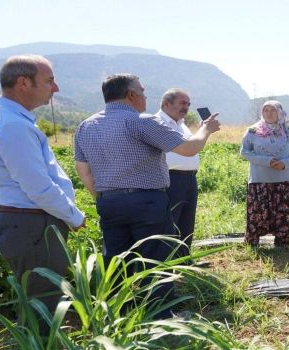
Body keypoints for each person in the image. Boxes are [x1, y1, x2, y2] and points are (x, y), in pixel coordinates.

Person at [74, 74, 220, 319]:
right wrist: (206, 129)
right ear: (131, 95)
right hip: (147, 201)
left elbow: (83, 169)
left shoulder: (86, 125)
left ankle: (116, 315)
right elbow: (189, 148)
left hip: (108, 202)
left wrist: (102, 197)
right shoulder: (141, 121)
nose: (144, 96)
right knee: (155, 258)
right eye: (142, 91)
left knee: (116, 260)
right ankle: (160, 317)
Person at [0, 55, 86, 328]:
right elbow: (37, 186)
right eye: (49, 81)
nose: (56, 88)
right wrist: (73, 216)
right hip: (33, 224)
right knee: (44, 305)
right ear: (23, 82)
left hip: (23, 221)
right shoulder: (13, 124)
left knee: (36, 298)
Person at [240, 100, 289, 247]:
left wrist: (285, 163)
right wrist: (267, 161)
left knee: (286, 213)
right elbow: (244, 152)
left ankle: (282, 244)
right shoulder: (252, 131)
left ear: (280, 112)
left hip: (286, 179)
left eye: (273, 110)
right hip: (260, 179)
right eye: (266, 110)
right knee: (257, 212)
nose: (269, 113)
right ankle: (252, 243)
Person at [156, 88, 205, 256]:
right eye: (182, 103)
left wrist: (202, 131)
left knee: (186, 221)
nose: (186, 107)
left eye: (188, 104)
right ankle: (166, 264)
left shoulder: (181, 124)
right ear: (166, 104)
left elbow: (191, 146)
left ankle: (183, 259)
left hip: (189, 179)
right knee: (170, 222)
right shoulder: (158, 123)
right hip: (170, 179)